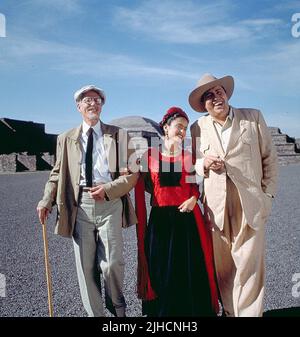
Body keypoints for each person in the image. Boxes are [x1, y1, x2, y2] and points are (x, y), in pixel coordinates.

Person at [37, 85, 138, 317]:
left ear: (102, 105)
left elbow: (133, 173)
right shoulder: (66, 138)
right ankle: (96, 315)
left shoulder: (119, 135)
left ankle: (118, 312)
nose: (93, 104)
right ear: (79, 106)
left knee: (112, 264)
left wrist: (109, 189)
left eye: (97, 100)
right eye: (87, 100)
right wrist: (46, 201)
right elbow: (57, 173)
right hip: (79, 206)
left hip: (110, 203)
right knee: (85, 268)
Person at [189, 73, 278, 317]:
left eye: (219, 91)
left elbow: (269, 158)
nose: (216, 97)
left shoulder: (253, 117)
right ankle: (230, 311)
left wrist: (267, 196)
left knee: (249, 267)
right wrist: (203, 163)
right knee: (225, 268)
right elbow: (193, 163)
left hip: (249, 202)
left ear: (226, 94)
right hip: (215, 206)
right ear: (203, 104)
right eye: (209, 95)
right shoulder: (198, 127)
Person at [134, 106, 219, 317]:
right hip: (160, 223)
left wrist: (193, 199)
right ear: (165, 127)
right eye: (178, 127)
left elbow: (193, 187)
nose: (182, 131)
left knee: (186, 272)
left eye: (184, 128)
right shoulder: (149, 155)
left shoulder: (188, 157)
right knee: (162, 272)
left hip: (186, 221)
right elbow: (142, 184)